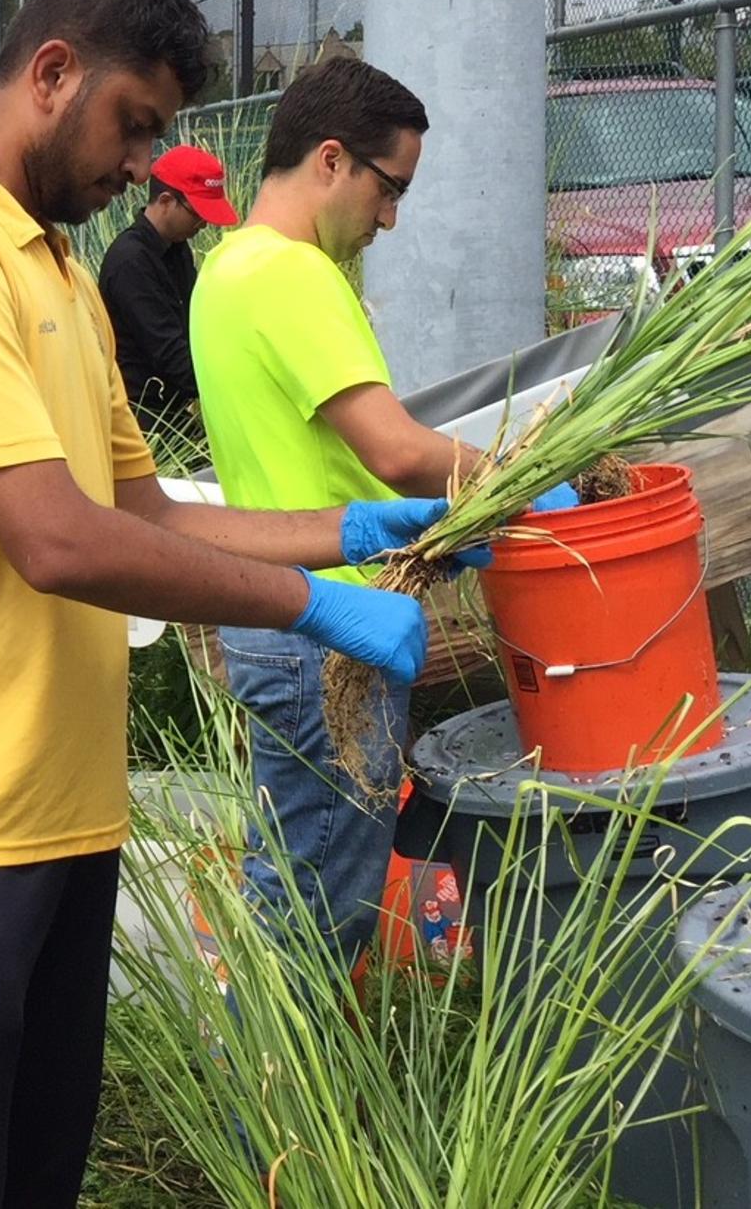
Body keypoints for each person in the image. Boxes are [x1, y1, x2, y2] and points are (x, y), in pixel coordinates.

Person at [0, 0, 460, 1208]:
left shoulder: (58, 279)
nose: (144, 165)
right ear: (52, 74)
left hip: (57, 806)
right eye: (133, 126)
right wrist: (312, 608)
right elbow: (59, 539)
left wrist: (358, 532)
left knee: (38, 1162)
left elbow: (147, 511)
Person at [188, 56, 578, 966]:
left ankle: (264, 1082)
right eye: (389, 188)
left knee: (294, 874)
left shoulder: (227, 271)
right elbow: (396, 451)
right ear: (332, 160)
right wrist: (519, 480)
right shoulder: (292, 276)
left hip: (281, 615)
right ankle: (276, 1107)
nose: (391, 217)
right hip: (328, 632)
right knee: (322, 909)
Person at [96, 144, 239, 429]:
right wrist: (235, 391)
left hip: (170, 409)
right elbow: (169, 353)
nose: (203, 224)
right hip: (137, 416)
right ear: (165, 201)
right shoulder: (130, 262)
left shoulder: (176, 249)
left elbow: (198, 323)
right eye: (197, 213)